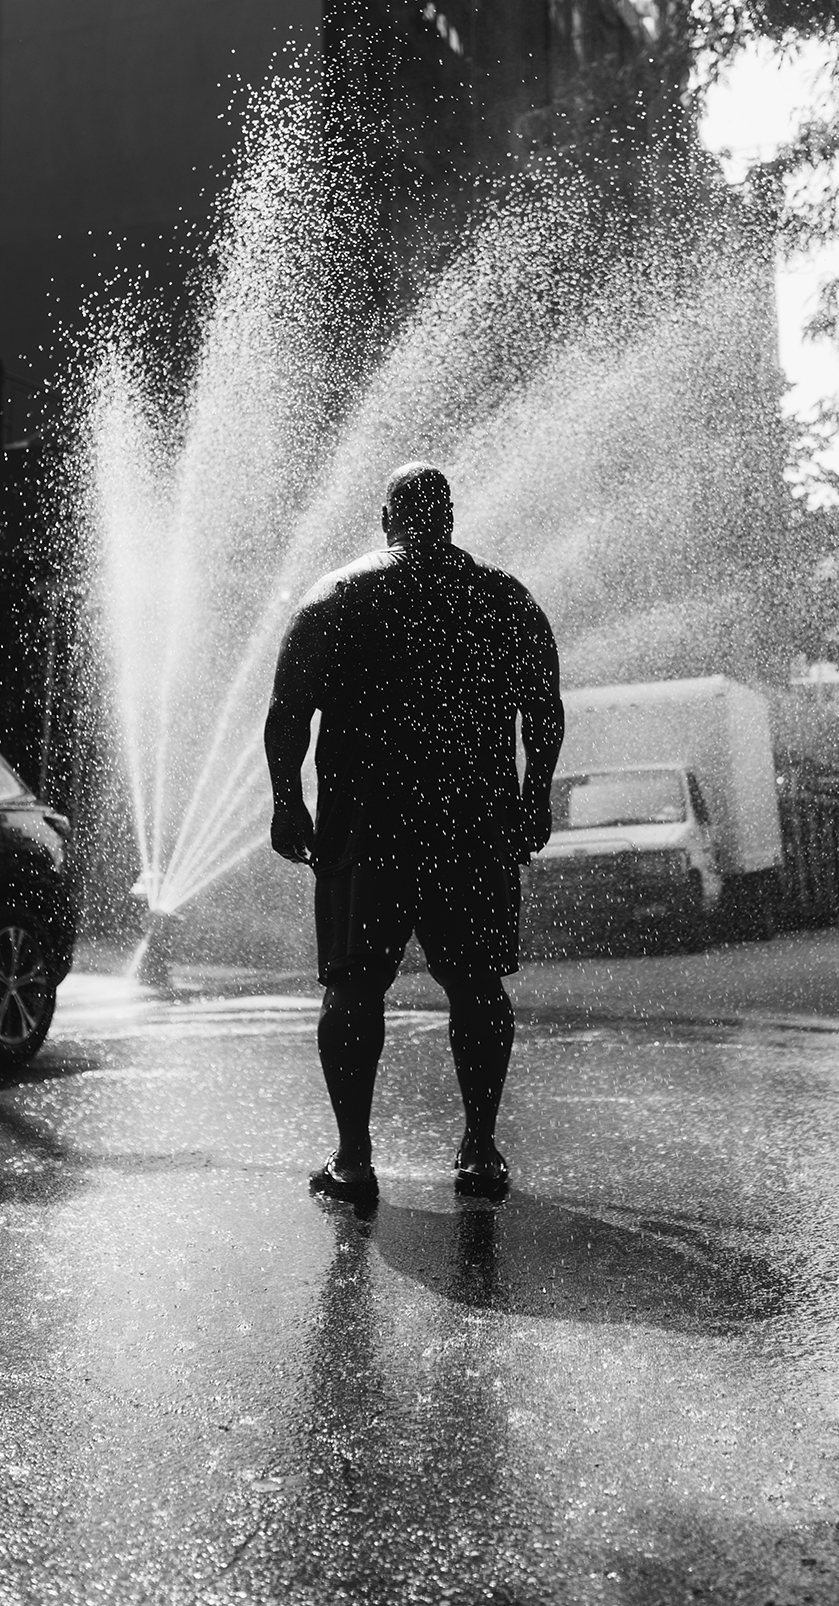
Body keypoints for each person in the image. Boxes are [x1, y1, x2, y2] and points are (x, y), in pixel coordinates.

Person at [264, 461, 564, 1204]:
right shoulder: (503, 598)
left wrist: (285, 802)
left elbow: (287, 713)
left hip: (367, 826)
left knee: (353, 987)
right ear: (448, 516)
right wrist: (533, 799)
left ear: (388, 517)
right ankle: (481, 1150)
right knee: (476, 985)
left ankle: (354, 1161)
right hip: (473, 821)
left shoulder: (336, 596)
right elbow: (545, 711)